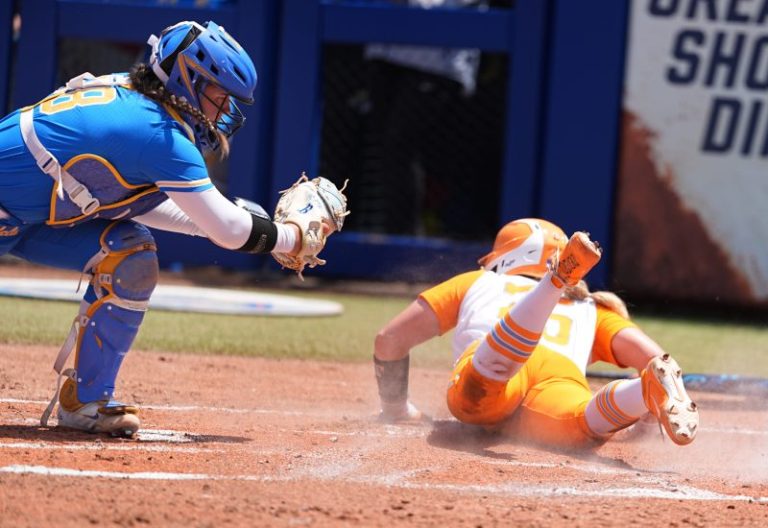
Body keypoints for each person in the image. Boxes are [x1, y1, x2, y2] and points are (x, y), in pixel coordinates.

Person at [0, 21, 346, 437]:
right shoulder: (158, 134)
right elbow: (230, 230)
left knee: (130, 255)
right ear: (189, 79)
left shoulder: (140, 100)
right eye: (220, 94)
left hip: (23, 219)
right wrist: (290, 236)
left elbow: (155, 209)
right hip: (17, 212)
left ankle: (87, 401)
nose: (227, 111)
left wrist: (234, 222)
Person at [373, 218, 699, 449]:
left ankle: (552, 284)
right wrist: (646, 411)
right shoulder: (591, 307)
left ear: (510, 256)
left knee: (477, 397)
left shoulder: (479, 281)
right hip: (560, 375)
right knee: (581, 426)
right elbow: (658, 359)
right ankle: (641, 393)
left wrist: (396, 409)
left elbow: (389, 340)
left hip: (497, 354)